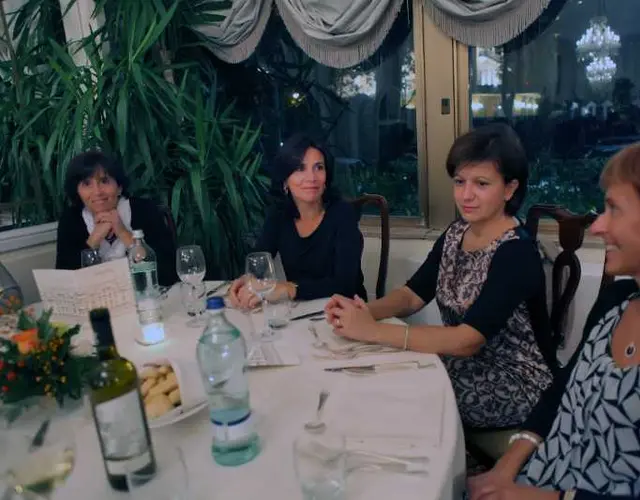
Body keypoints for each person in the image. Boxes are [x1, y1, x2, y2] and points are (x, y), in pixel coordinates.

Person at [326, 124, 555, 429]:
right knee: (375, 372)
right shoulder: (457, 232)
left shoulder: (517, 252)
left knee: (395, 395)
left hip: (515, 381)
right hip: (462, 363)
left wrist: (372, 330)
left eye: (481, 184)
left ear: (509, 189)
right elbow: (412, 295)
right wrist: (363, 312)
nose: (466, 195)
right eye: (460, 181)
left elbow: (467, 340)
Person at [467, 143, 640, 500]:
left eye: (614, 209)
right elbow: (562, 389)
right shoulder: (616, 302)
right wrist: (506, 469)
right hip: (540, 478)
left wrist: (529, 496)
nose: (598, 226)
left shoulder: (515, 249)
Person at [229, 133, 366, 307]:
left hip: (346, 311)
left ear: (327, 177)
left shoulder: (343, 213)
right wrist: (247, 279)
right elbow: (260, 260)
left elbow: (345, 286)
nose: (312, 178)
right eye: (300, 168)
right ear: (285, 180)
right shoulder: (279, 215)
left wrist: (289, 289)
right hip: (299, 310)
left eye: (319, 167)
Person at [55, 151, 177, 286]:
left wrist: (123, 233)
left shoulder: (145, 210)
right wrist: (94, 239)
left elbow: (169, 272)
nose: (97, 192)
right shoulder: (70, 220)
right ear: (77, 191)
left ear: (119, 187)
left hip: (145, 294)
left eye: (104, 181)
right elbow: (64, 283)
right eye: (87, 184)